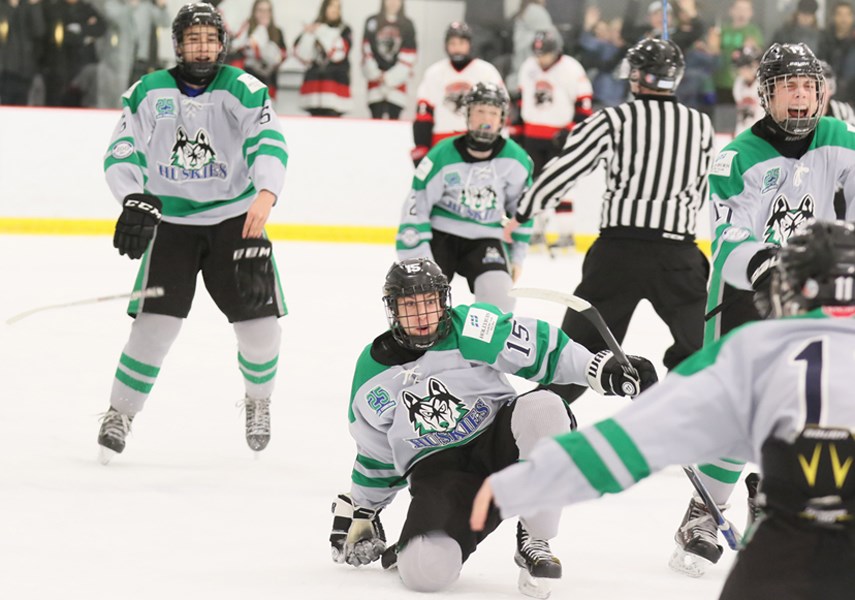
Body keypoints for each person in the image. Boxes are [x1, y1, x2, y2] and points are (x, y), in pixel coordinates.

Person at [473, 219, 855, 600]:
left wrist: (532, 479)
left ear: (795, 288)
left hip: (781, 551)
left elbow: (637, 438)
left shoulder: (750, 351)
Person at [330, 257, 657, 597]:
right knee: (425, 573)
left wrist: (599, 368)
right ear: (392, 309)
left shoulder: (471, 327)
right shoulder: (373, 371)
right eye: (410, 305)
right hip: (440, 473)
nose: (423, 315)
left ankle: (535, 536)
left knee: (545, 407)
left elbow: (544, 349)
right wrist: (363, 506)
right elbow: (376, 452)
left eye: (430, 302)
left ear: (444, 300)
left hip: (499, 441)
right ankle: (419, 544)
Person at [678, 41, 855, 576]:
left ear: (822, 92)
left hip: (815, 297)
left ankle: (779, 498)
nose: (801, 96)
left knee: (817, 409)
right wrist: (765, 265)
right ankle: (699, 513)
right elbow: (729, 237)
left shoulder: (839, 136)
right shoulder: (737, 158)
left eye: (809, 86)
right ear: (767, 96)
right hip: (746, 295)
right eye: (789, 87)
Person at [98, 2, 289, 463]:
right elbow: (123, 148)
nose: (202, 47)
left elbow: (269, 139)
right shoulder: (148, 90)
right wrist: (132, 197)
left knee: (260, 329)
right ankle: (119, 413)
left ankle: (258, 401)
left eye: (210, 38)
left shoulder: (243, 88)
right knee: (153, 329)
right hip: (174, 227)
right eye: (192, 38)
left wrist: (266, 191)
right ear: (178, 44)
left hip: (236, 221)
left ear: (222, 43)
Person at [503, 38, 713, 409]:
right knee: (700, 349)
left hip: (619, 253)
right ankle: (688, 420)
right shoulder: (701, 125)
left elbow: (563, 171)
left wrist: (523, 212)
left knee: (577, 352)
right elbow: (698, 190)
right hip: (679, 255)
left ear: (637, 77)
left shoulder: (614, 119)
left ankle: (533, 421)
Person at [396, 83, 533, 314]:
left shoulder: (517, 159)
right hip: (440, 236)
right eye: (480, 111)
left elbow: (523, 210)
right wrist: (416, 257)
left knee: (499, 299)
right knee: (421, 301)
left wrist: (517, 257)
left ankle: (483, 349)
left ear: (502, 119)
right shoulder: (441, 154)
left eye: (493, 112)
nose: (486, 118)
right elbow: (416, 204)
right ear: (468, 114)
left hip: (486, 237)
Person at [516, 29, 592, 249]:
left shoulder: (571, 68)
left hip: (559, 138)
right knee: (532, 185)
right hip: (532, 136)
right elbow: (522, 101)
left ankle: (566, 233)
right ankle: (536, 231)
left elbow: (584, 105)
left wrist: (570, 130)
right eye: (538, 54)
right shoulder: (528, 67)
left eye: (545, 54)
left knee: (561, 184)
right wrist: (518, 130)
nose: (541, 59)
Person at [411, 21, 504, 166]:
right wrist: (422, 147)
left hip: (478, 144)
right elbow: (423, 114)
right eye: (452, 43)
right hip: (442, 144)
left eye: (461, 43)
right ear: (446, 45)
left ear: (470, 44)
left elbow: (500, 112)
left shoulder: (487, 72)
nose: (457, 48)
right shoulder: (434, 73)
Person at [41, 0, 106, 106]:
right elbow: (57, 35)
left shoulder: (86, 8)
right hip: (59, 69)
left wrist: (81, 28)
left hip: (82, 68)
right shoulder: (55, 8)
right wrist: (84, 38)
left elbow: (101, 27)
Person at [294, 0, 352, 117]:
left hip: (335, 88)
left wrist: (321, 31)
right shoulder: (312, 27)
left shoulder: (345, 29)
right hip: (313, 88)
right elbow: (301, 54)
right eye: (331, 6)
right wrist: (309, 34)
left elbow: (338, 54)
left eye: (338, 7)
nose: (335, 10)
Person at [361, 0, 417, 120]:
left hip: (397, 85)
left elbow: (410, 54)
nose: (393, 2)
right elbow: (366, 50)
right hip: (375, 83)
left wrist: (390, 78)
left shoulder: (407, 24)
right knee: (375, 121)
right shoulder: (372, 21)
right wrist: (376, 74)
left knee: (394, 121)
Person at [228, 0, 287, 99]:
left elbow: (283, 54)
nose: (264, 14)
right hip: (248, 78)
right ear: (254, 12)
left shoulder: (277, 32)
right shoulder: (246, 29)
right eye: (260, 10)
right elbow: (234, 48)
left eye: (267, 11)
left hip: (269, 79)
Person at [0, 0, 46, 106]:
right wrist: (12, 7)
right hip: (6, 69)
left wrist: (34, 6)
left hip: (25, 69)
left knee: (22, 104)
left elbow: (39, 31)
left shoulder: (27, 8)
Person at [732, 45, 763, 135]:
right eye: (741, 69)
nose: (743, 72)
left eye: (745, 68)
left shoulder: (763, 85)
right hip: (742, 131)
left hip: (761, 133)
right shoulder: (738, 84)